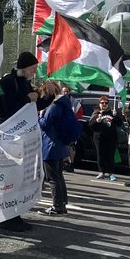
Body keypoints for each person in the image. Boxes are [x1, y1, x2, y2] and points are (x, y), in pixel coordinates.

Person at [0, 52, 48, 232]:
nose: (35, 71)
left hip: (20, 135)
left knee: (17, 177)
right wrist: (27, 98)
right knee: (9, 177)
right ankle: (5, 216)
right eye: (33, 68)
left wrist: (48, 97)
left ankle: (14, 213)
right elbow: (8, 107)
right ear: (24, 67)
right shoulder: (9, 81)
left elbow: (32, 106)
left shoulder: (24, 81)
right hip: (9, 134)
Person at [38, 81, 82, 216]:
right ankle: (62, 204)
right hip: (59, 144)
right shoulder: (63, 104)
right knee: (58, 176)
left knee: (52, 177)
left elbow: (45, 124)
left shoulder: (54, 106)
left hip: (51, 145)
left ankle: (57, 206)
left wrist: (40, 115)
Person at [88, 95, 119, 181]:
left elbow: (119, 123)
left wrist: (116, 116)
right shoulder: (96, 112)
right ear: (99, 104)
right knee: (100, 154)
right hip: (99, 137)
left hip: (111, 137)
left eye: (106, 103)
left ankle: (111, 173)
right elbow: (90, 125)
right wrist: (96, 121)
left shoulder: (112, 112)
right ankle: (101, 171)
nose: (104, 104)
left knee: (110, 155)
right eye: (102, 103)